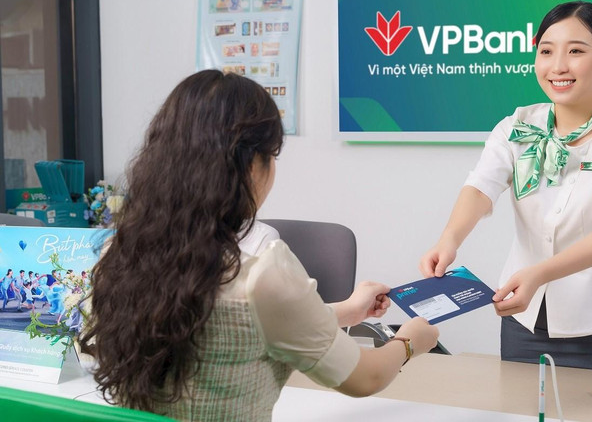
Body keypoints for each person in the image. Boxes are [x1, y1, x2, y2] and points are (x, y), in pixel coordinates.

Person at [79, 70, 439, 419]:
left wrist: (347, 310)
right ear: (252, 164)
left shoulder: (117, 259)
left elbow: (256, 321)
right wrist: (409, 341)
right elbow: (365, 377)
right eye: (272, 156)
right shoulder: (264, 274)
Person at [419, 1, 592, 370]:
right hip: (525, 320)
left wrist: (539, 273)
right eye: (546, 51)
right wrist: (448, 240)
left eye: (576, 51)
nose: (558, 66)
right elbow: (480, 188)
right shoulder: (516, 126)